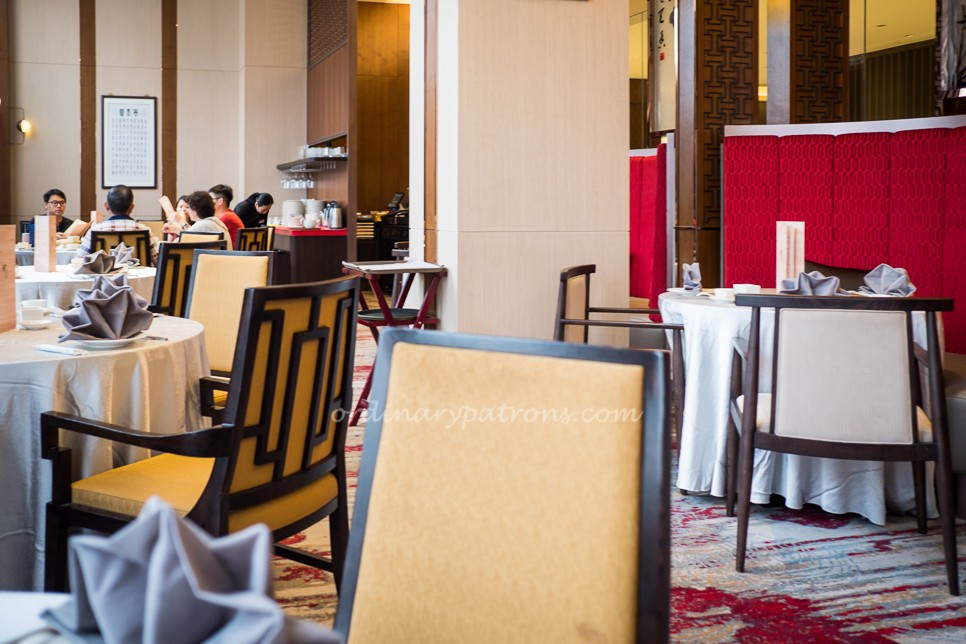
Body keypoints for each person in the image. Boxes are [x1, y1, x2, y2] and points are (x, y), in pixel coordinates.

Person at [77, 184, 160, 265]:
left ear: (106, 206)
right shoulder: (144, 229)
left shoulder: (95, 230)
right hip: (138, 274)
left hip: (104, 274)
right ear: (131, 207)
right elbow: (158, 260)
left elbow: (80, 259)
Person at [165, 191, 233, 249]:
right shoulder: (217, 222)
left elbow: (174, 245)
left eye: (188, 207)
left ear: (195, 210)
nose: (187, 210)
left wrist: (180, 222)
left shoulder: (202, 225)